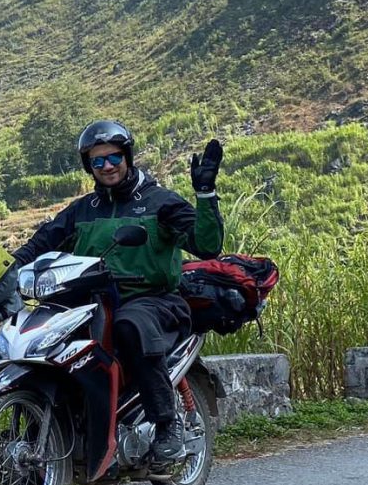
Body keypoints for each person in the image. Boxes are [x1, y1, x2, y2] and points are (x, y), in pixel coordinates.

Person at [11, 120, 224, 465]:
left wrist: (205, 195)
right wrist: (4, 272)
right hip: (92, 302)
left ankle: (167, 425)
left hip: (153, 300)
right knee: (43, 334)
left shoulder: (160, 202)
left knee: (130, 325)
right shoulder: (83, 210)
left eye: (113, 158)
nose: (107, 166)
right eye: (98, 161)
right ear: (89, 167)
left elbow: (207, 246)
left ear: (127, 156)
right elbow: (39, 243)